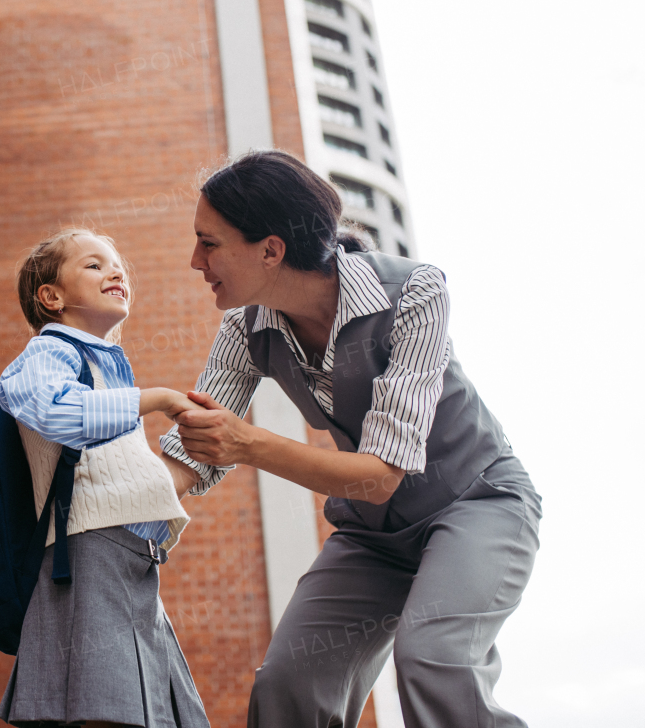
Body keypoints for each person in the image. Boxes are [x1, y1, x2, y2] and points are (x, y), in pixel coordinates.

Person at [157, 151, 543, 727]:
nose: (195, 260)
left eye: (208, 243)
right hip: (375, 537)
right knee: (289, 684)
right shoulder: (247, 327)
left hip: (476, 503)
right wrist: (113, 513)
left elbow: (382, 474)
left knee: (435, 659)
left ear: (270, 249)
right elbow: (190, 452)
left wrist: (248, 444)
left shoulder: (414, 291)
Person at [0, 227, 210, 728]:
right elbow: (57, 412)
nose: (115, 272)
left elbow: (130, 478)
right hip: (90, 555)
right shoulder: (50, 353)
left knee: (128, 712)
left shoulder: (103, 364)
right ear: (51, 297)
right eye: (94, 265)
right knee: (106, 712)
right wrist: (155, 398)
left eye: (119, 266)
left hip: (128, 560)